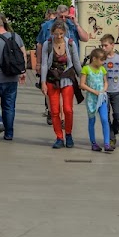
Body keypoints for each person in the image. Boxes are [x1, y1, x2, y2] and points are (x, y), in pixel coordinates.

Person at [40, 20, 82, 149]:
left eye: (61, 34)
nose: (59, 37)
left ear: (65, 33)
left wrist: (82, 78)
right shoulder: (47, 44)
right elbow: (44, 64)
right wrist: (43, 82)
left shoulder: (70, 43)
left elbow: (76, 62)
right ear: (52, 32)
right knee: (54, 111)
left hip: (67, 79)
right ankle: (59, 137)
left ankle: (68, 134)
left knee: (68, 110)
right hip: (52, 80)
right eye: (56, 34)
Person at [99, 34, 119, 149]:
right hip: (104, 92)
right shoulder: (101, 59)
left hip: (116, 92)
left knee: (117, 114)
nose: (103, 48)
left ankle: (115, 130)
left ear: (112, 45)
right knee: (105, 116)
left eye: (105, 45)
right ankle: (111, 138)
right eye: (102, 46)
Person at [80, 48, 112, 153]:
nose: (103, 62)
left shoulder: (102, 69)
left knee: (104, 119)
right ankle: (93, 143)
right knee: (92, 120)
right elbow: (82, 84)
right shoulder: (86, 69)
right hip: (91, 99)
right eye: (101, 60)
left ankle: (107, 143)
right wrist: (93, 91)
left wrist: (104, 89)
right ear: (94, 59)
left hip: (101, 98)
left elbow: (105, 81)